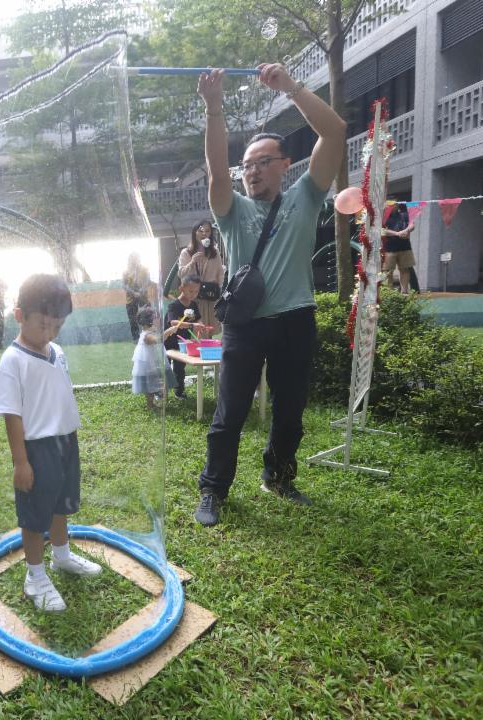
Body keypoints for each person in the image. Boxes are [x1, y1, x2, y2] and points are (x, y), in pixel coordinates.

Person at [193, 63, 347, 527]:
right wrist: (214, 108)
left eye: (264, 162)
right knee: (230, 412)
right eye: (248, 165)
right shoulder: (232, 210)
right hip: (245, 324)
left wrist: (292, 88)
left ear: (285, 166)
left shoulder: (306, 195)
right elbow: (217, 170)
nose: (253, 171)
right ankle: (213, 490)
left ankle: (278, 477)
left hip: (297, 318)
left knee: (291, 411)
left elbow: (335, 132)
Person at [0, 274, 101, 612]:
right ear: (19, 315)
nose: (50, 333)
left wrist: (69, 437)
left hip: (66, 441)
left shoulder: (57, 351)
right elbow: (12, 415)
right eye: (44, 325)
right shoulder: (13, 360)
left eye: (57, 326)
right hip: (36, 449)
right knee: (35, 512)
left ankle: (62, 556)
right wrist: (21, 462)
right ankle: (35, 575)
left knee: (60, 504)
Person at [163, 220, 224, 335]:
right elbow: (181, 274)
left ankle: (206, 350)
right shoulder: (186, 253)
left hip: (210, 298)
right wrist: (192, 262)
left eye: (208, 231)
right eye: (201, 231)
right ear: (194, 233)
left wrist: (219, 292)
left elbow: (220, 274)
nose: (204, 234)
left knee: (208, 331)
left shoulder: (214, 253)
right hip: (193, 298)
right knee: (196, 332)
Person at [164, 275, 206, 400]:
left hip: (183, 343)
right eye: (191, 291)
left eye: (196, 291)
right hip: (169, 341)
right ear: (181, 288)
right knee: (165, 368)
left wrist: (201, 326)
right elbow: (173, 322)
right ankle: (161, 393)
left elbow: (198, 319)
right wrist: (193, 325)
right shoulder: (174, 305)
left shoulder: (193, 304)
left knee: (180, 368)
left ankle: (179, 391)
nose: (193, 294)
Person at [131, 305, 179, 411]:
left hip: (155, 361)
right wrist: (169, 331)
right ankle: (150, 404)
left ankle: (160, 401)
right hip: (148, 365)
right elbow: (158, 339)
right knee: (149, 385)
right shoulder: (146, 335)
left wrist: (168, 332)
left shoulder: (151, 332)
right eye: (157, 317)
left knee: (160, 380)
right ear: (150, 321)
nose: (159, 319)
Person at [382, 203, 416, 294]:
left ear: (397, 205)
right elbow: (381, 230)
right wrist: (397, 233)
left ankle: (404, 292)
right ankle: (388, 294)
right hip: (388, 248)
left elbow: (412, 225)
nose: (391, 206)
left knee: (405, 269)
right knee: (387, 271)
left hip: (405, 247)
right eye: (389, 204)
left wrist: (407, 230)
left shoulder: (404, 215)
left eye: (394, 204)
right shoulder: (382, 217)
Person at [122, 252, 151, 342]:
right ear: (129, 260)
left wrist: (141, 291)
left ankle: (148, 335)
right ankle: (136, 339)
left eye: (136, 258)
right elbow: (124, 285)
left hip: (143, 297)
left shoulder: (145, 269)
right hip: (130, 299)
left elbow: (148, 281)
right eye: (132, 258)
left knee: (147, 315)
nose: (134, 260)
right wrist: (133, 293)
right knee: (132, 319)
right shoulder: (126, 271)